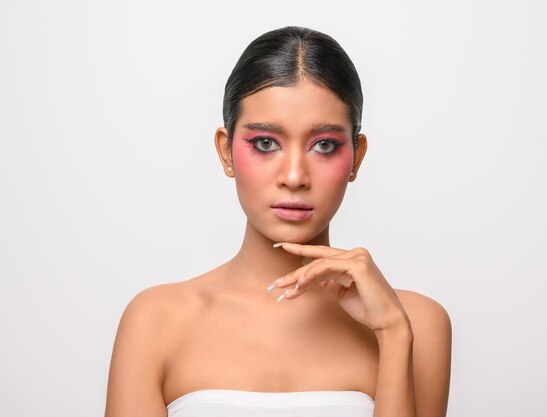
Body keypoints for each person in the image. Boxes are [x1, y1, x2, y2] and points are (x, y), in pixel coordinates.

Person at [104, 26, 451, 417]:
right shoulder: (155, 320)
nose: (294, 176)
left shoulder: (416, 324)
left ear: (355, 157)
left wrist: (392, 332)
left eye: (324, 145)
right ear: (226, 152)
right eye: (266, 143)